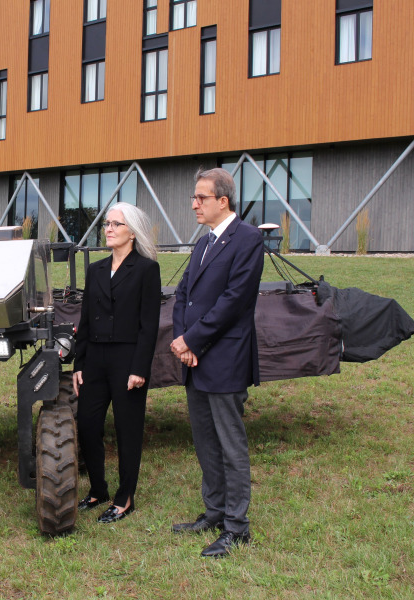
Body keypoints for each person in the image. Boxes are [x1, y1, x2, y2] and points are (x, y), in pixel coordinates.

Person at [170, 168, 264, 558]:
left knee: (230, 445)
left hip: (224, 359)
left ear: (222, 201)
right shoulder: (204, 241)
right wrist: (183, 342)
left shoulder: (248, 239)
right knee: (205, 442)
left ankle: (237, 527)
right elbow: (182, 294)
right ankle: (214, 512)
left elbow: (233, 302)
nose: (194, 204)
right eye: (194, 198)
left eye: (200, 198)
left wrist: (192, 339)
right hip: (195, 359)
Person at [72, 203, 161, 524]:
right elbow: (84, 321)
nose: (108, 229)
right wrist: (79, 363)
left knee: (128, 430)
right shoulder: (95, 269)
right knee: (87, 423)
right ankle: (98, 489)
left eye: (116, 224)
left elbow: (149, 325)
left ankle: (125, 498)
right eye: (106, 224)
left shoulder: (146, 270)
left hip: (128, 360)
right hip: (94, 359)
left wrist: (140, 369)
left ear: (132, 233)